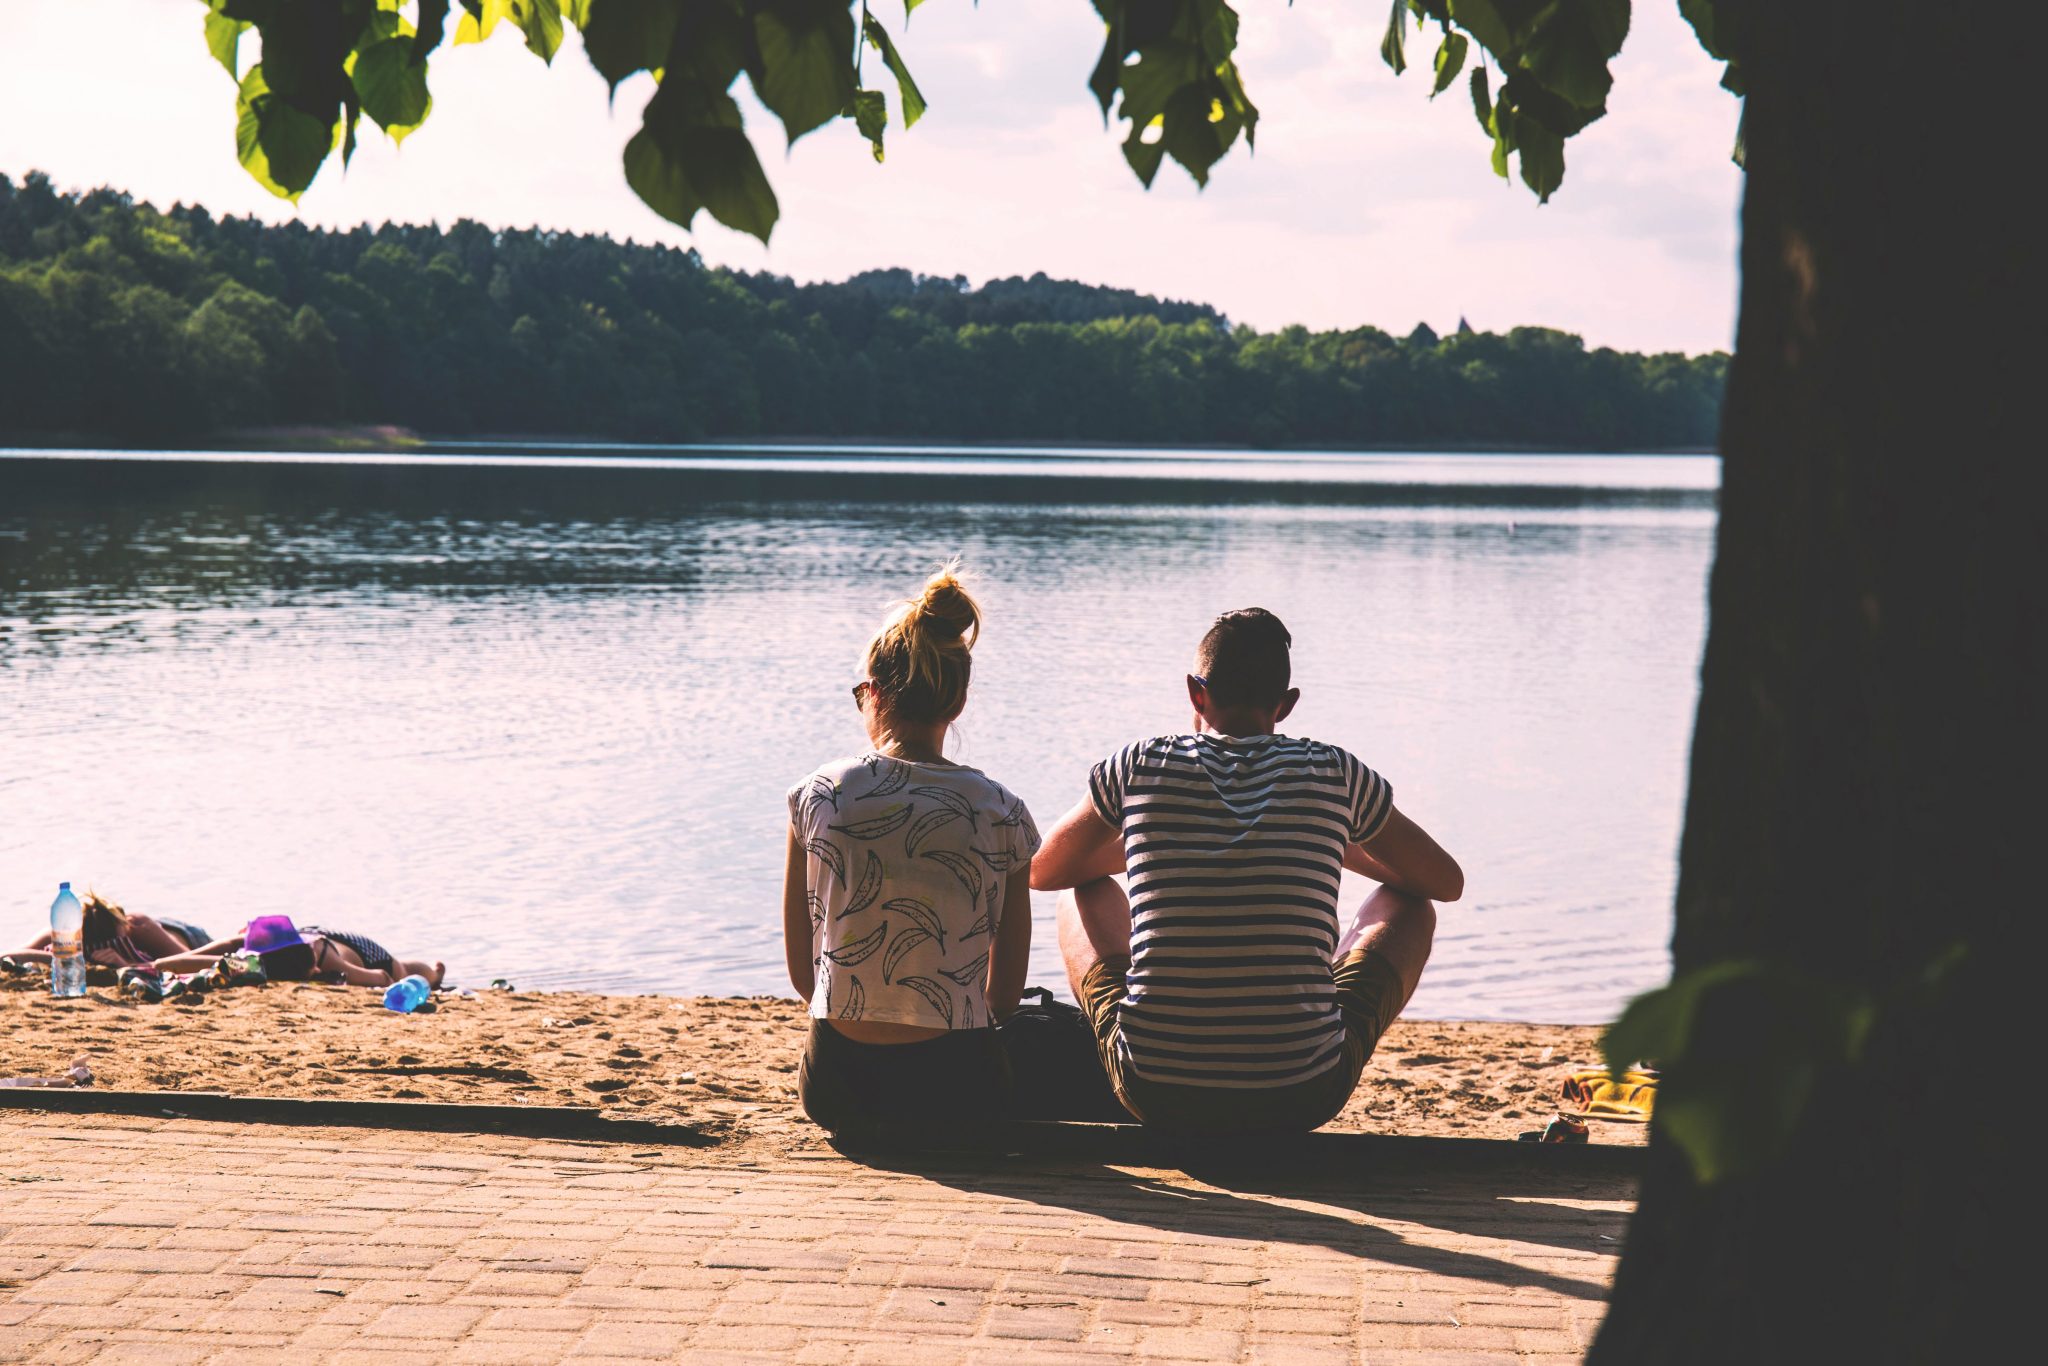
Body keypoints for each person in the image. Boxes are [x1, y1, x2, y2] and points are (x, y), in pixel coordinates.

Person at [1030, 607, 1464, 1135]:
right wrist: (1332, 837)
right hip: (1303, 1092)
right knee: (1410, 904)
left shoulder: (1140, 764)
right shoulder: (1334, 772)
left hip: (1154, 1088)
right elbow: (1445, 883)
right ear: (1286, 705)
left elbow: (1045, 870)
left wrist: (1158, 836)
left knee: (1079, 889)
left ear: (1196, 693)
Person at [784, 564, 1039, 1145]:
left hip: (837, 1084)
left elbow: (806, 977)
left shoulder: (817, 795)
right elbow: (1004, 995)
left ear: (872, 694)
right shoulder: (1002, 810)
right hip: (957, 1088)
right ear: (959, 701)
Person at [187, 916, 445, 988]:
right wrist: (160, 964)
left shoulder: (329, 963)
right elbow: (221, 950)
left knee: (403, 970)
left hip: (361, 952)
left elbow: (382, 977)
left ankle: (434, 974)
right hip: (297, 939)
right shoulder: (262, 946)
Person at [6, 892, 224, 975]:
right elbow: (12, 955)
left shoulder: (137, 927)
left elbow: (188, 961)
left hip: (189, 938)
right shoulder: (62, 936)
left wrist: (126, 963)